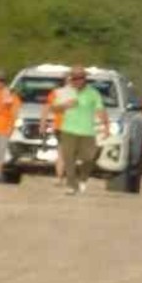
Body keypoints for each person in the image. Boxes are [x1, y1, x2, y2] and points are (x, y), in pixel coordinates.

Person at [52, 66, 109, 195]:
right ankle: (71, 185)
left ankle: (83, 178)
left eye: (80, 78)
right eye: (75, 78)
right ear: (71, 79)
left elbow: (100, 110)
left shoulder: (93, 93)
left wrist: (106, 127)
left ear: (85, 79)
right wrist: (64, 105)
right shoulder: (64, 92)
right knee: (69, 159)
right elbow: (54, 109)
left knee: (89, 158)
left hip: (87, 131)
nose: (77, 80)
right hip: (68, 130)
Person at [39, 75, 71, 183]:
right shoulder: (57, 93)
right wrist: (43, 124)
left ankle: (61, 177)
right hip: (62, 126)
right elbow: (46, 108)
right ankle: (60, 177)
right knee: (63, 152)